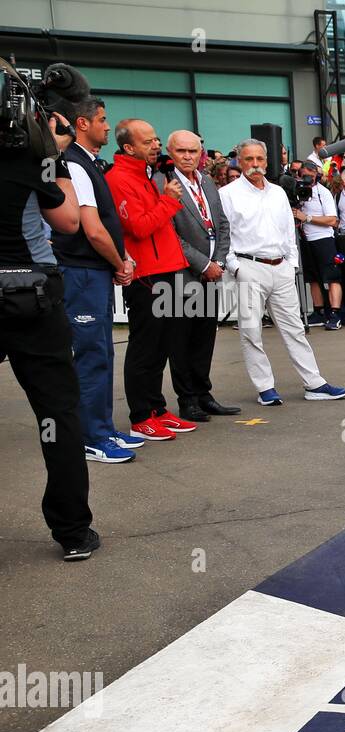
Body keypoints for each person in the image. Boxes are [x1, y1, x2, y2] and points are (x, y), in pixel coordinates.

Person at [0, 102, 102, 559]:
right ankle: (73, 531)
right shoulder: (33, 160)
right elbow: (68, 221)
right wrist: (56, 157)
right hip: (31, 290)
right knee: (57, 413)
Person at [218, 138, 345, 406]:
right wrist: (236, 267)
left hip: (281, 268)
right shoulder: (228, 194)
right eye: (249, 160)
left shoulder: (278, 192)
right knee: (251, 331)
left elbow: (289, 231)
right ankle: (265, 387)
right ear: (240, 162)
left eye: (259, 159)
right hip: (248, 267)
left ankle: (314, 383)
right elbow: (224, 236)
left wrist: (291, 264)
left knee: (295, 329)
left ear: (267, 162)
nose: (255, 165)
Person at [51, 97, 138, 463]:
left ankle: (101, 426)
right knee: (90, 355)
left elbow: (106, 224)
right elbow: (92, 227)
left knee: (102, 351)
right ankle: (91, 436)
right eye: (102, 120)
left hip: (94, 272)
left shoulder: (88, 163)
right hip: (83, 272)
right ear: (81, 124)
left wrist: (121, 258)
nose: (108, 126)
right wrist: (120, 261)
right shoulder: (74, 164)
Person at [105, 118, 198, 442]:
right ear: (128, 147)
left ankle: (157, 409)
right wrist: (169, 200)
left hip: (166, 268)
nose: (156, 146)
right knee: (146, 348)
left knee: (161, 346)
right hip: (146, 274)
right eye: (148, 142)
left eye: (156, 139)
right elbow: (141, 227)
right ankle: (140, 416)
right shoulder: (118, 179)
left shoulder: (145, 176)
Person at [153, 129, 241, 423]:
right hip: (182, 275)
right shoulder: (163, 183)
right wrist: (204, 265)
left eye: (193, 151)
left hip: (211, 273)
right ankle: (187, 399)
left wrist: (218, 261)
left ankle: (204, 394)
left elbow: (222, 224)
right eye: (181, 151)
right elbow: (170, 233)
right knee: (181, 341)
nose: (188, 157)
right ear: (170, 151)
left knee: (205, 338)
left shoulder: (206, 181)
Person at [296, 159, 345, 331]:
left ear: (316, 174)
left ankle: (335, 313)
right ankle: (318, 311)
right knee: (313, 278)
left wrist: (307, 218)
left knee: (332, 277)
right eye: (304, 176)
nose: (307, 179)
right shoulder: (298, 192)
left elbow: (333, 220)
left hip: (323, 239)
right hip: (305, 239)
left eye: (310, 176)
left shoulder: (322, 192)